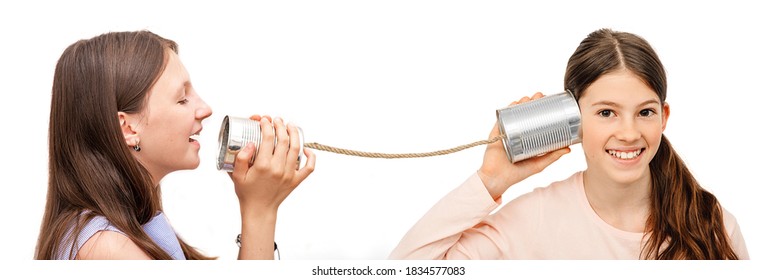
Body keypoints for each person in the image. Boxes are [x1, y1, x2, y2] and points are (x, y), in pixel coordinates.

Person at [389, 28, 748, 260]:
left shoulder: (711, 225)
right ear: (570, 119)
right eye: (606, 112)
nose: (628, 132)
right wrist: (490, 181)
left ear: (664, 116)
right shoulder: (531, 220)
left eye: (645, 112)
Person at [35, 30, 316, 260]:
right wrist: (259, 210)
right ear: (128, 128)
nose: (205, 108)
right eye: (182, 99)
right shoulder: (107, 250)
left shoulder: (134, 226)